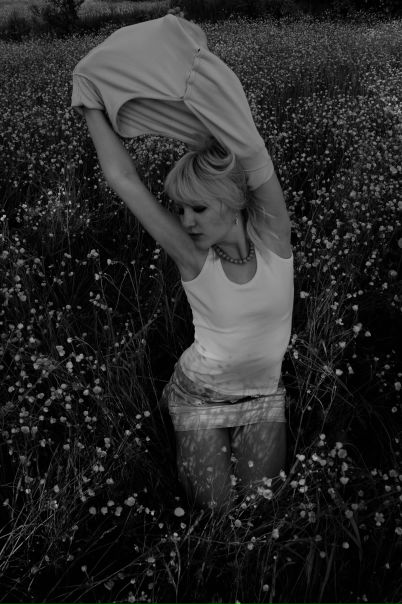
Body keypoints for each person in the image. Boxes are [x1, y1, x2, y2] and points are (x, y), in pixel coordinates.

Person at [78, 13, 294, 513]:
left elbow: (254, 155)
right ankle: (176, 407)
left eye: (197, 208)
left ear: (231, 201)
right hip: (200, 395)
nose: (187, 221)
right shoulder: (194, 256)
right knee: (217, 516)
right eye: (180, 209)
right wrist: (89, 101)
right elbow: (125, 180)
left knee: (261, 509)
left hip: (263, 396)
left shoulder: (274, 239)